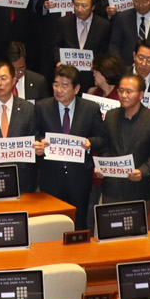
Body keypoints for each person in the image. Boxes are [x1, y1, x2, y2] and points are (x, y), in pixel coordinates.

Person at [33, 64, 104, 230]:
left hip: (79, 177)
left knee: (79, 223)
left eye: (64, 86)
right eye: (56, 84)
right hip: (51, 176)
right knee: (50, 224)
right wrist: (39, 143)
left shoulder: (90, 109)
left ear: (77, 88)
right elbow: (34, 134)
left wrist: (90, 143)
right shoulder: (42, 107)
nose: (59, 89)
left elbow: (102, 138)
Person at [95, 73, 150, 210]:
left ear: (141, 95)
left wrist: (143, 171)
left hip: (138, 189)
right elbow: (105, 147)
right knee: (110, 230)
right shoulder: (111, 115)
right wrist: (103, 166)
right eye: (121, 91)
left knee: (136, 231)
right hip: (111, 189)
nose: (123, 95)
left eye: (129, 91)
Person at [0, 59, 39, 191]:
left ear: (14, 80)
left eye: (3, 78)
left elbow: (35, 138)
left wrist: (38, 145)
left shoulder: (28, 108)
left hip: (22, 180)